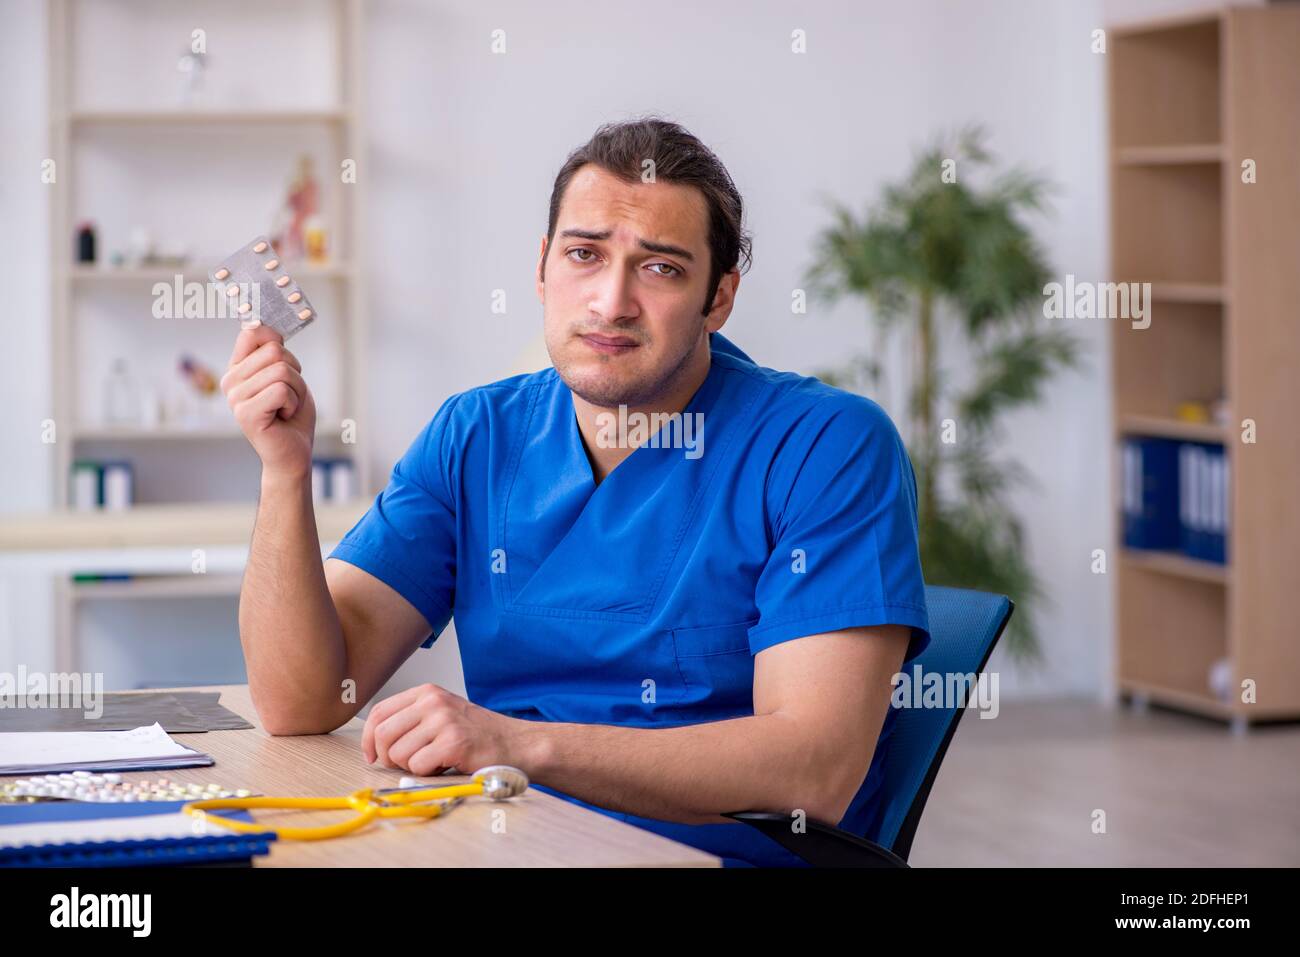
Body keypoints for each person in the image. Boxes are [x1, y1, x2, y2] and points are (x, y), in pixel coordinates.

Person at [221, 117, 930, 867]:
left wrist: (516, 744)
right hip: (506, 840)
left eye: (660, 268)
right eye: (584, 255)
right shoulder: (477, 434)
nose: (611, 300)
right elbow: (299, 701)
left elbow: (812, 771)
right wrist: (284, 469)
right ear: (542, 269)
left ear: (718, 299)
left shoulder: (824, 446)